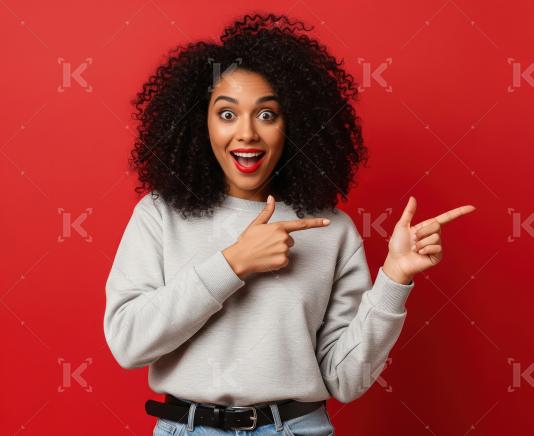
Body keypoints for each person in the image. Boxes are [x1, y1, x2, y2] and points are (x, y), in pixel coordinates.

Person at [103, 12, 475, 435]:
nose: (247, 133)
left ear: (293, 124)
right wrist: (233, 263)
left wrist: (394, 278)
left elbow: (345, 380)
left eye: (266, 115)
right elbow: (128, 344)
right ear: (199, 122)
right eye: (227, 114)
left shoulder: (330, 229)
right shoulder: (159, 215)